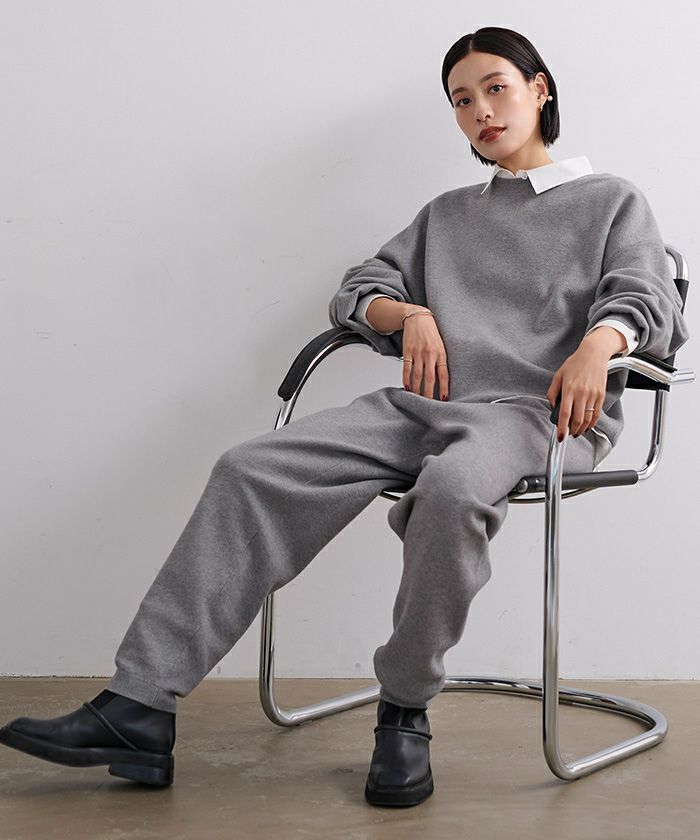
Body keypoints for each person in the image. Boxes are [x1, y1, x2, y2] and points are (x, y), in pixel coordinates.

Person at [0, 26, 689, 809]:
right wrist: (410, 314)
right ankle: (139, 708)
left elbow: (648, 297)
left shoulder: (610, 201)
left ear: (540, 89)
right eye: (462, 100)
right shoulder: (446, 216)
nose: (481, 111)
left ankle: (404, 709)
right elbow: (359, 289)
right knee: (251, 467)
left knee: (452, 489)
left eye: (496, 88)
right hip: (427, 408)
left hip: (539, 415)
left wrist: (601, 343)